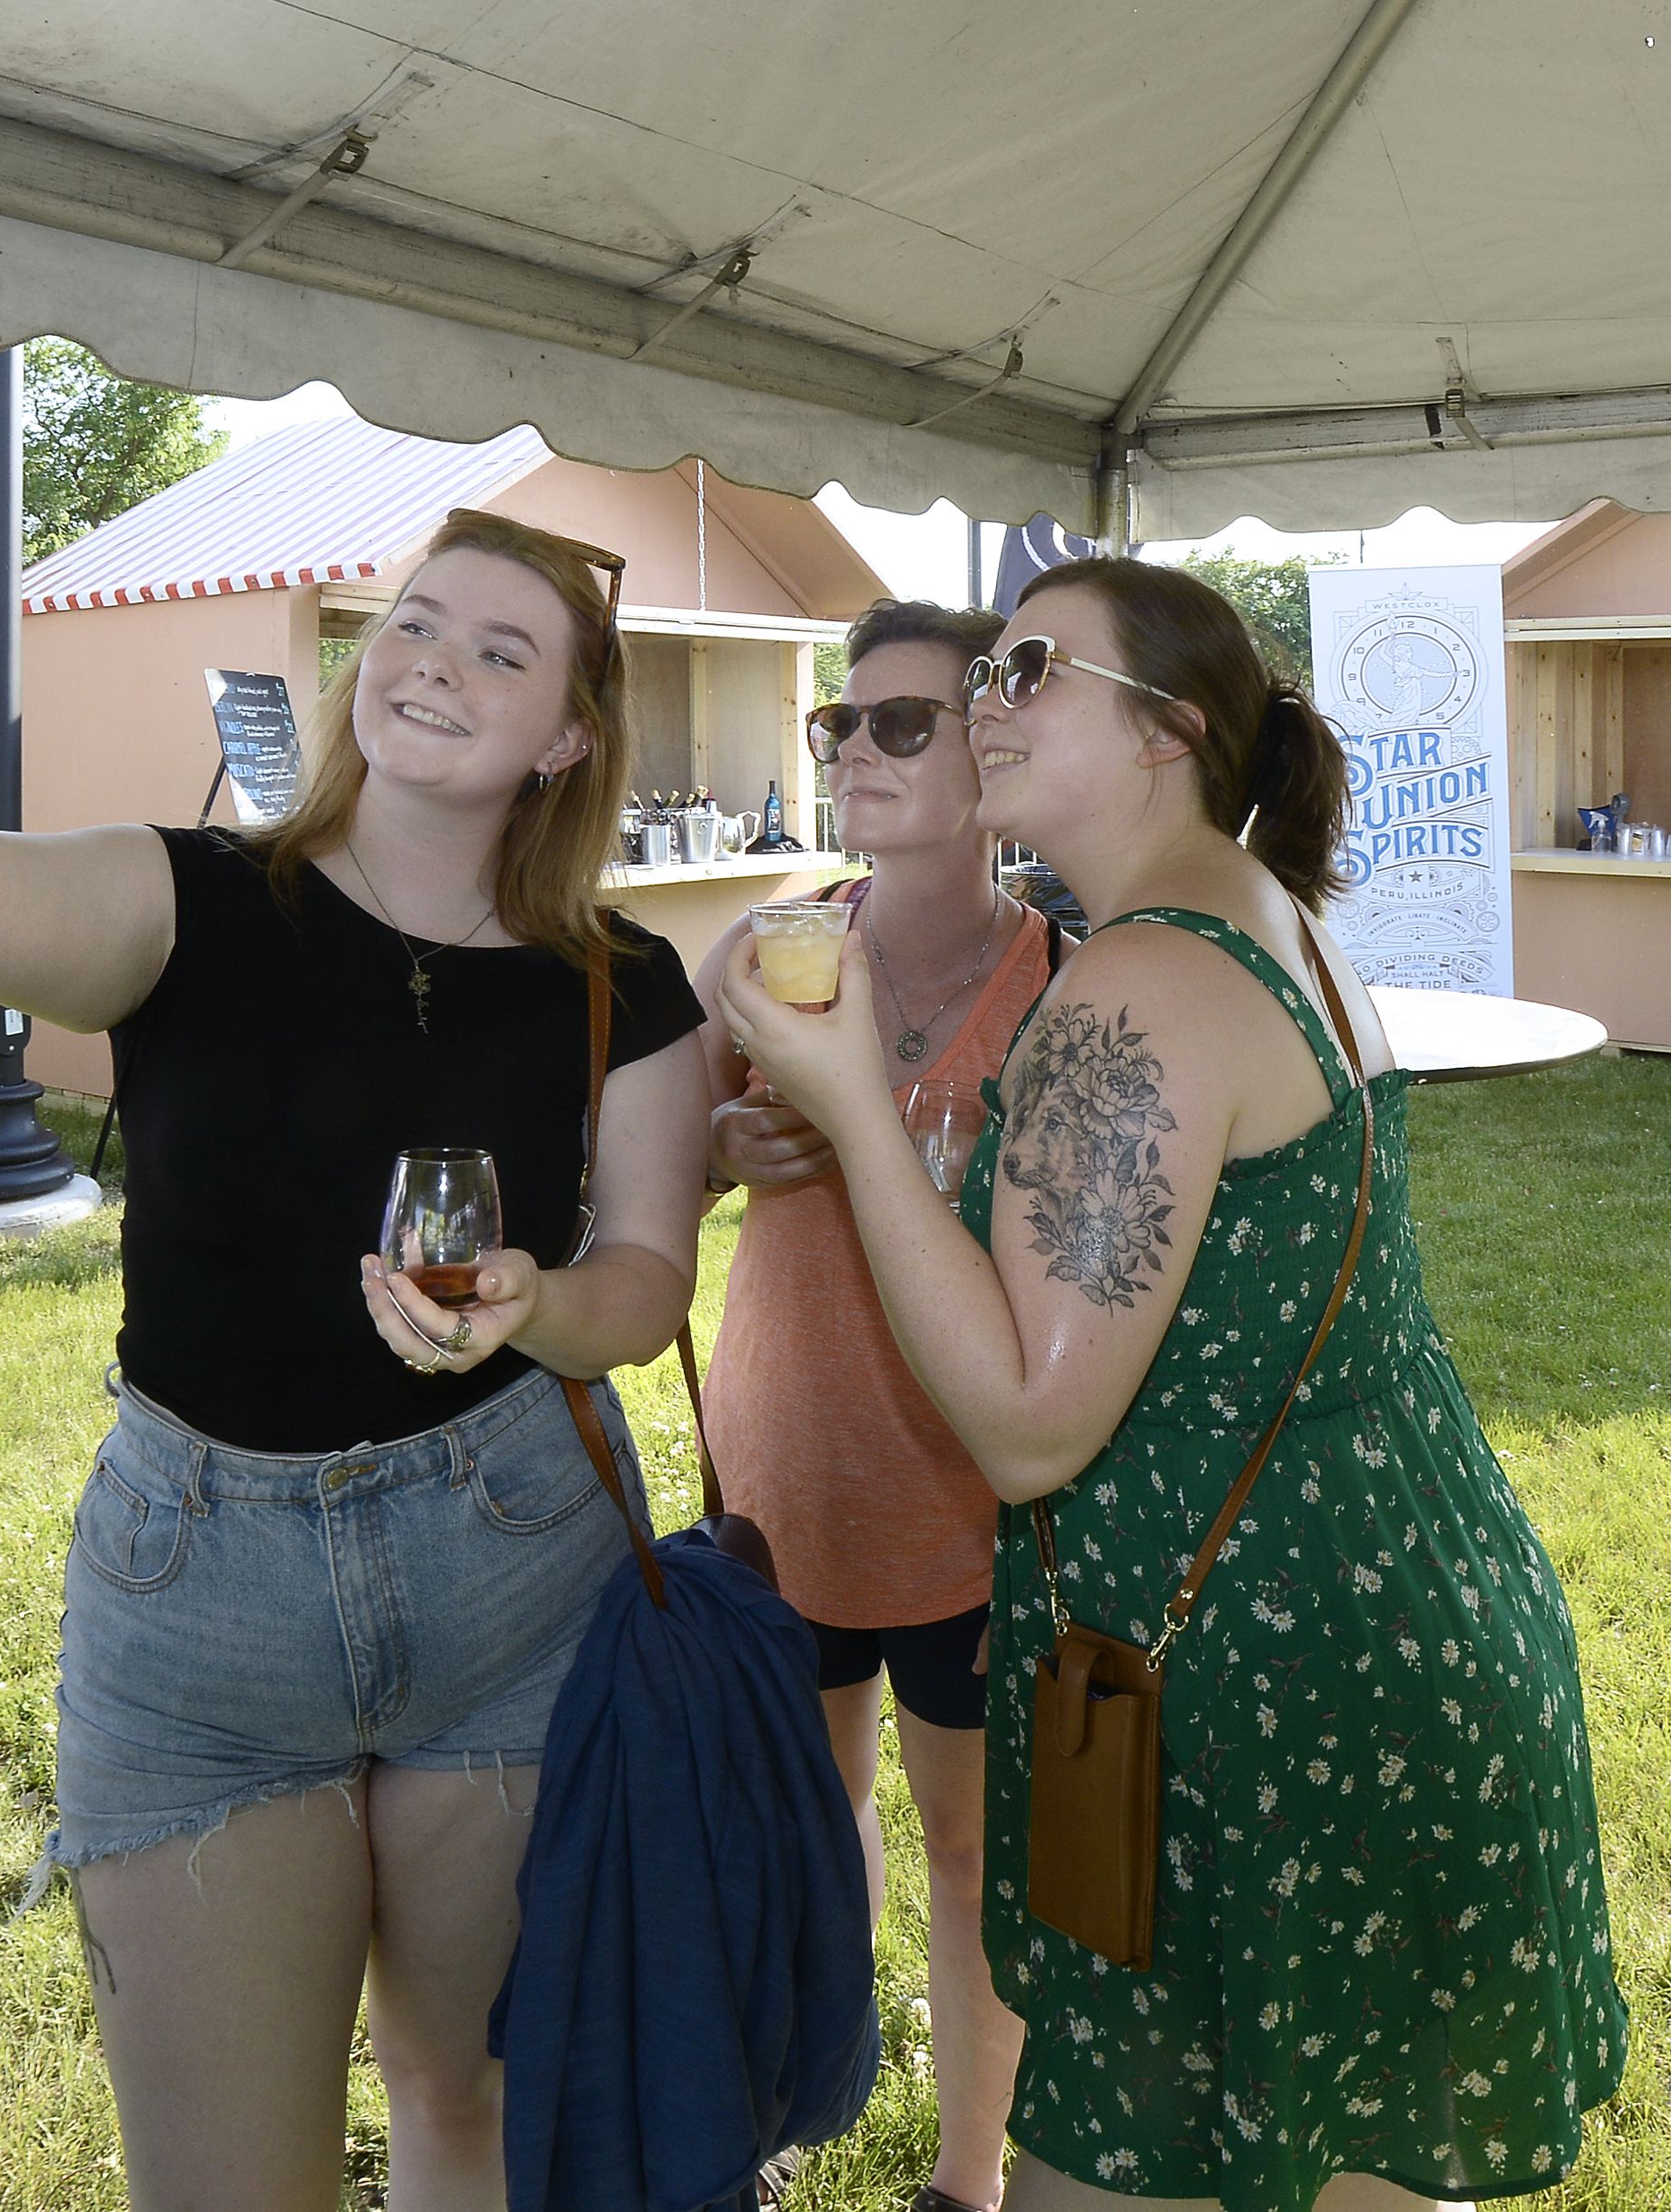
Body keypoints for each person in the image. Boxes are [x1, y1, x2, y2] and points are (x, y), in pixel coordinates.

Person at [0, 392, 709, 2212]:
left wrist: (532, 1310)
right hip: (203, 1592)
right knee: (224, 2182)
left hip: (516, 1566)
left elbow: (645, 1286)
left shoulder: (626, 983)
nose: (431, 661)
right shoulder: (181, 901)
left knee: (473, 2108)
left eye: (501, 650)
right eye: (411, 621)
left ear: (569, 734)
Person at [719, 560, 1626, 2212]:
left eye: (1032, 671)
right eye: (981, 675)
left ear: (1169, 731)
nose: (987, 704)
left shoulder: (1132, 978)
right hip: (1391, 1627)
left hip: (1256, 1689)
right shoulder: (1272, 923)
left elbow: (1024, 1417)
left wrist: (853, 1103)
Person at [695, 598, 1059, 2212]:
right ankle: (786, 2112)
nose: (853, 746)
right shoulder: (771, 951)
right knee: (800, 1824)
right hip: (785, 1464)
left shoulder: (1065, 985)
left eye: (900, 722)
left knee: (972, 1848)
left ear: (991, 756)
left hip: (972, 1498)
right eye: (844, 721)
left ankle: (967, 2181)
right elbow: (666, 1163)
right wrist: (727, 1149)